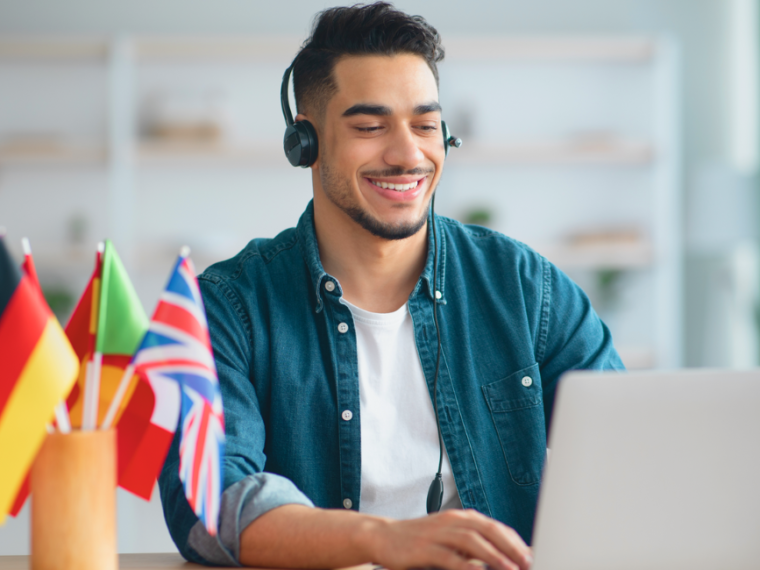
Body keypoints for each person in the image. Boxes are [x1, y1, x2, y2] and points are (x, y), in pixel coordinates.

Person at [159, 3, 624, 569]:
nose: (408, 154)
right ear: (304, 144)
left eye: (426, 125)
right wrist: (381, 540)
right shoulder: (229, 306)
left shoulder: (526, 288)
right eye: (370, 126)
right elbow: (212, 509)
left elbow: (626, 459)